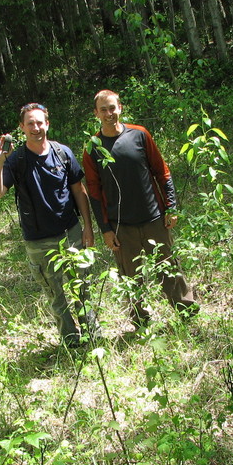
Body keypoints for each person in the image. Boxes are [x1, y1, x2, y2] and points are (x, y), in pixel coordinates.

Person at [82, 89, 198, 328]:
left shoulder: (139, 135)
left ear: (120, 108)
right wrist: (105, 229)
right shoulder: (92, 148)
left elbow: (161, 172)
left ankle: (187, 313)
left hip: (154, 218)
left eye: (112, 108)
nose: (108, 113)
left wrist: (170, 207)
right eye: (103, 109)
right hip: (121, 226)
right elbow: (94, 192)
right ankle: (141, 323)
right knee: (130, 277)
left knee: (169, 269)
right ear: (96, 113)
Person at [0, 102, 100, 347]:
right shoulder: (15, 160)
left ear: (47, 124)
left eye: (40, 122)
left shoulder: (62, 153)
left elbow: (79, 191)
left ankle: (93, 337)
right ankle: (71, 342)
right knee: (56, 295)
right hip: (38, 240)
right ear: (22, 127)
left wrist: (87, 227)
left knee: (82, 288)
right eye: (30, 124)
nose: (36, 128)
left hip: (70, 232)